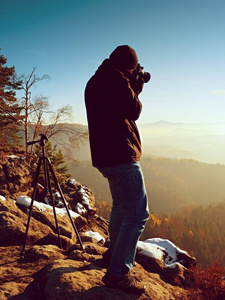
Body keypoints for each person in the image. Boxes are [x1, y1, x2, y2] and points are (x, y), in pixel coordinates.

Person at [84, 45, 149, 294]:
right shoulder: (117, 79)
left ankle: (113, 254)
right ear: (128, 66)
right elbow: (134, 110)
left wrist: (131, 83)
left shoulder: (96, 79)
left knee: (121, 207)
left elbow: (118, 109)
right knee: (138, 214)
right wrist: (136, 85)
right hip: (121, 155)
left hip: (104, 157)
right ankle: (118, 273)